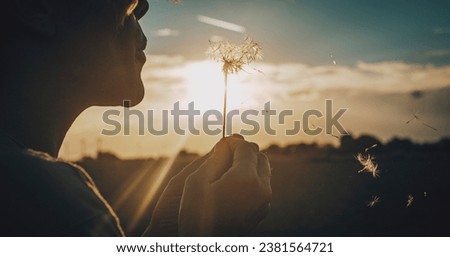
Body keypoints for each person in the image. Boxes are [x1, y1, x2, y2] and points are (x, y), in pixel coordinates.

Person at [0, 0, 272, 236]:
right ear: (38, 5)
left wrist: (167, 234)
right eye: (130, 6)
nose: (143, 13)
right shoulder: (47, 207)